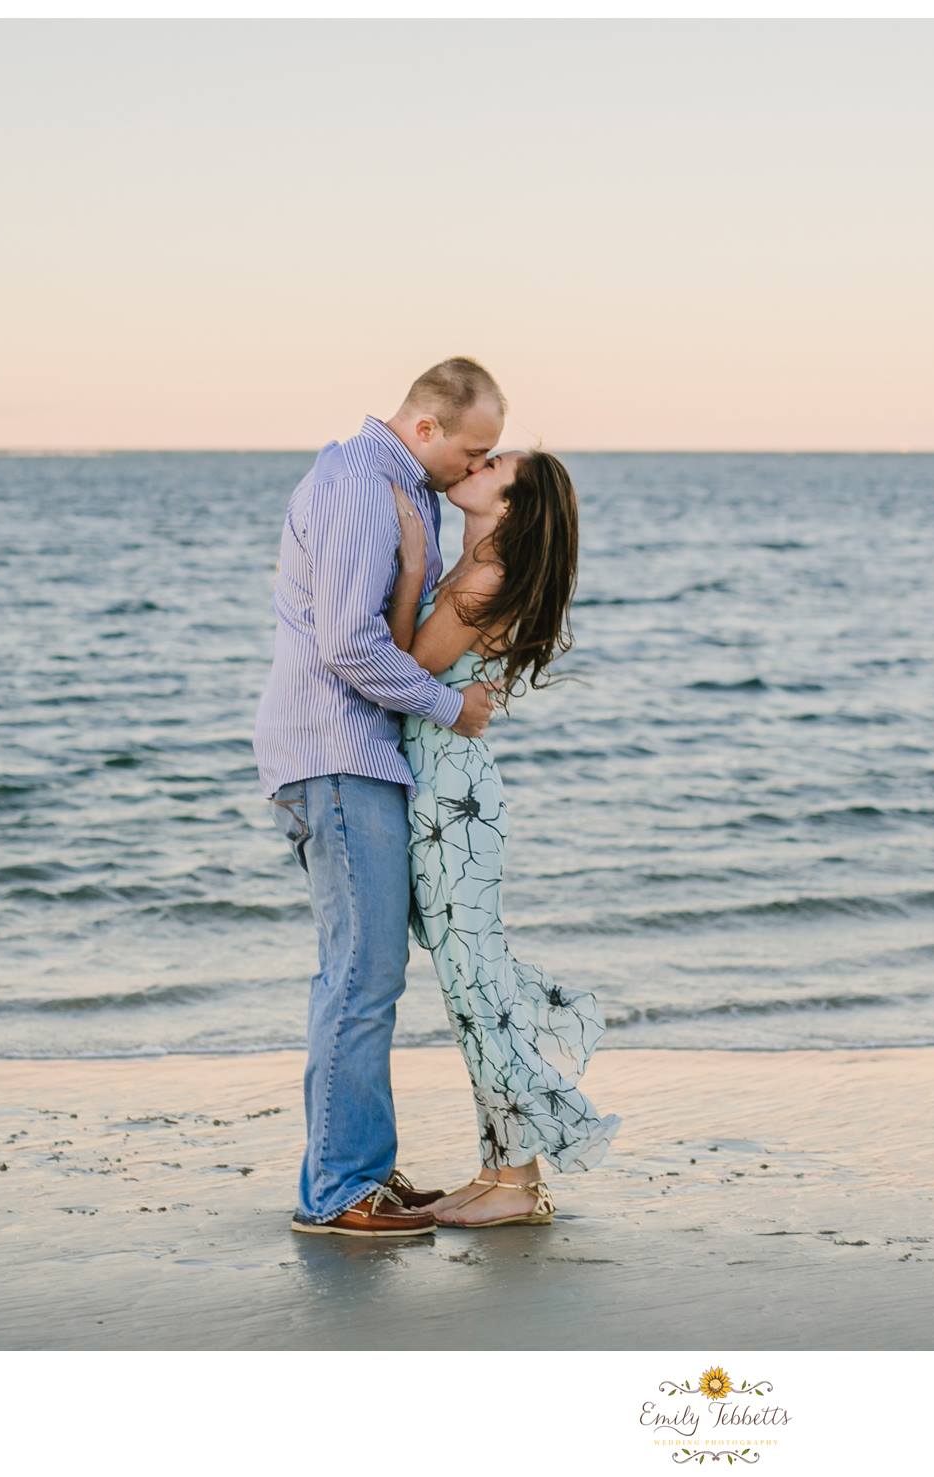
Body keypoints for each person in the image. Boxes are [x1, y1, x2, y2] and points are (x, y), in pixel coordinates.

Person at [253, 358, 503, 1238]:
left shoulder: (395, 485)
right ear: (428, 427)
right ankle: (337, 1192)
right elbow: (349, 647)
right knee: (360, 977)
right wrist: (453, 707)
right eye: (473, 450)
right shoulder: (363, 483)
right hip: (337, 751)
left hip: (351, 754)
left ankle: (357, 1168)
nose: (477, 468)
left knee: (366, 974)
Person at [387, 449, 621, 1228]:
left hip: (453, 799)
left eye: (494, 465)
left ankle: (518, 1181)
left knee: (478, 995)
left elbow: (405, 668)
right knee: (470, 992)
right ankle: (498, 1170)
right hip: (444, 792)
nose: (475, 464)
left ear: (513, 508)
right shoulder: (474, 564)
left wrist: (413, 564)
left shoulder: (480, 578)